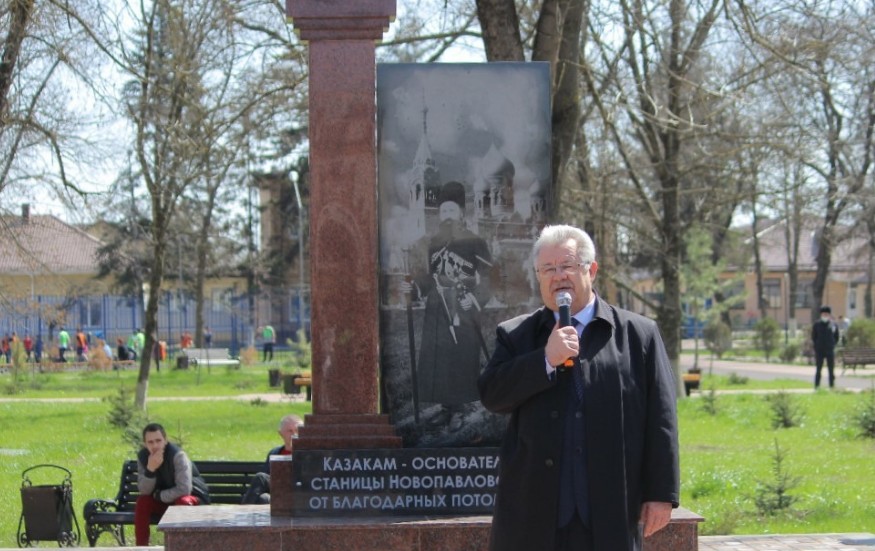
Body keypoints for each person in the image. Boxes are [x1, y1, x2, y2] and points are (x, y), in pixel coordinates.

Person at [478, 224, 679, 551]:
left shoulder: (638, 335)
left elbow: (662, 419)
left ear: (592, 270)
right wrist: (545, 359)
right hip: (534, 514)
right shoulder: (516, 335)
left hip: (609, 509)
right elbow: (493, 395)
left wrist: (661, 494)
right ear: (539, 277)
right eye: (548, 269)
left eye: (567, 266)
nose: (558, 277)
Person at [401, 181, 492, 423]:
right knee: (438, 356)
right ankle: (445, 407)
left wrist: (473, 300)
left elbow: (489, 277)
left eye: (452, 211)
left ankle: (460, 408)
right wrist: (414, 288)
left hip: (463, 304)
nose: (447, 216)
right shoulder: (434, 244)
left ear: (461, 213)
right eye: (444, 211)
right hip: (437, 306)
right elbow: (429, 276)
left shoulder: (476, 242)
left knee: (460, 355)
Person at [135, 423, 209, 545]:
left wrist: (160, 496)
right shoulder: (143, 457)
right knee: (143, 502)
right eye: (150, 442)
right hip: (167, 503)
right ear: (145, 444)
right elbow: (144, 491)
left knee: (182, 500)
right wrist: (150, 470)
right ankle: (141, 547)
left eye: (158, 440)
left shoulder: (178, 455)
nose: (155, 445)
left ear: (165, 440)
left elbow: (184, 489)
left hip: (193, 500)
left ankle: (181, 546)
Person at [240, 414, 303, 505]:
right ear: (281, 433)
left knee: (260, 477)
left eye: (297, 430)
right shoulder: (274, 453)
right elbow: (267, 478)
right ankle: (246, 515)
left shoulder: (309, 454)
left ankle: (242, 514)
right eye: (290, 431)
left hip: (298, 492)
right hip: (278, 494)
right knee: (264, 499)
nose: (294, 434)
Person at [811, 305, 840, 389]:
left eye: (827, 314)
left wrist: (832, 344)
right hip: (819, 350)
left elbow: (836, 337)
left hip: (829, 350)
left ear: (829, 315)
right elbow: (814, 337)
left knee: (831, 369)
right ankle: (817, 386)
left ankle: (831, 386)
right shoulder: (817, 324)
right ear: (821, 314)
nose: (825, 315)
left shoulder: (833, 324)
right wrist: (817, 345)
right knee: (818, 369)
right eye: (824, 314)